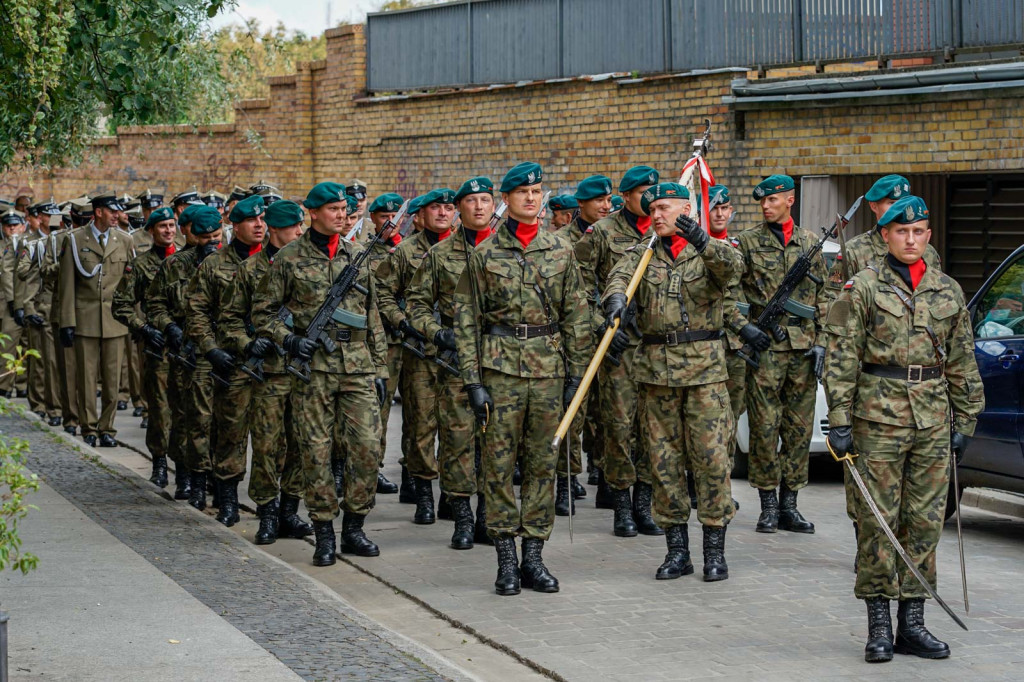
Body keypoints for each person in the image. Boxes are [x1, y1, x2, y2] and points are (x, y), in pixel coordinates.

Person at [823, 195, 983, 662]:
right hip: (877, 419)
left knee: (925, 522)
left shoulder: (948, 291)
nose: (910, 239)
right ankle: (877, 627)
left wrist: (966, 419)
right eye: (901, 231)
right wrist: (839, 420)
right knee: (877, 522)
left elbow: (961, 361)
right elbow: (841, 357)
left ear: (928, 235)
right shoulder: (863, 288)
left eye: (918, 232)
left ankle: (912, 624)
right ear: (886, 236)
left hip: (933, 420)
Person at [453, 162, 589, 596]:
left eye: (536, 191)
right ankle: (506, 560)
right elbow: (466, 322)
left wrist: (576, 375)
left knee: (542, 465)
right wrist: (473, 381)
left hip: (548, 372)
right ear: (505, 201)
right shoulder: (484, 255)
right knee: (496, 468)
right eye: (521, 192)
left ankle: (534, 557)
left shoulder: (561, 250)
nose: (531, 198)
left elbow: (576, 316)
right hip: (500, 373)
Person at [604, 182, 739, 581]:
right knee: (664, 466)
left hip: (704, 377)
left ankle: (714, 551)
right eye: (653, 210)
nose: (657, 215)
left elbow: (732, 269)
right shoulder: (642, 254)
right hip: (657, 375)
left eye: (665, 208)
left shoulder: (709, 252)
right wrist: (614, 301)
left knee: (713, 463)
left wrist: (701, 238)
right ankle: (677, 551)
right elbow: (618, 279)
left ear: (687, 210)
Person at [251, 181, 387, 567]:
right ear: (313, 213)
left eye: (344, 208)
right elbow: (263, 312)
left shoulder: (357, 254)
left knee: (366, 446)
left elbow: (373, 315)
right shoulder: (289, 258)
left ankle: (355, 526)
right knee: (315, 451)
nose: (341, 215)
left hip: (357, 364)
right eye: (332, 209)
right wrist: (290, 341)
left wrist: (380, 367)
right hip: (313, 370)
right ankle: (324, 531)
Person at [825, 175, 945, 561]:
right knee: (870, 488)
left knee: (918, 499)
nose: (910, 237)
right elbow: (836, 310)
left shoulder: (928, 253)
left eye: (917, 229)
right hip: (870, 385)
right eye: (891, 205)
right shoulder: (856, 251)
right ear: (876, 210)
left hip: (920, 395)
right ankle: (872, 549)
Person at [734, 175, 827, 534]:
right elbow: (732, 290)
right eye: (762, 202)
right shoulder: (748, 243)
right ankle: (768, 505)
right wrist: (747, 327)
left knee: (799, 430)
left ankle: (791, 504)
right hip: (766, 350)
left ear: (790, 199)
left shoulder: (810, 245)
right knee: (763, 429)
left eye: (772, 200)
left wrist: (822, 341)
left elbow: (828, 297)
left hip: (802, 350)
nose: (765, 206)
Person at [407, 177, 495, 549]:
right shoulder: (440, 255)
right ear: (459, 209)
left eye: (485, 200)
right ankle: (461, 517)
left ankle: (489, 517)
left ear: (494, 205)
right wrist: (436, 333)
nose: (478, 207)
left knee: (496, 443)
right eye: (470, 201)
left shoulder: (509, 249)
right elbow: (415, 304)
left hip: (501, 361)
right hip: (456, 361)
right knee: (458, 441)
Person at [220, 199, 314, 544]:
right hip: (269, 373)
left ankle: (290, 510)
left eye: (301, 226)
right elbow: (229, 319)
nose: (300, 232)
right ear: (276, 230)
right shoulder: (250, 270)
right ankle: (268, 513)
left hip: (303, 370)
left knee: (301, 445)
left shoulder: (307, 265)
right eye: (293, 228)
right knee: (267, 445)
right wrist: (247, 344)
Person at [575, 165, 662, 537]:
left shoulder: (663, 232)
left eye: (654, 191)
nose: (650, 198)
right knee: (619, 427)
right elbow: (576, 287)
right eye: (642, 192)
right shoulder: (603, 233)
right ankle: (621, 506)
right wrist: (601, 328)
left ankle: (646, 504)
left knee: (651, 429)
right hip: (619, 345)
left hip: (656, 345)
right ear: (624, 197)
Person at [376, 189, 455, 525]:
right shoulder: (406, 251)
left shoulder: (469, 249)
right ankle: (423, 493)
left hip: (457, 353)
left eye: (448, 207)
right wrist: (402, 322)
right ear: (420, 216)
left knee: (456, 427)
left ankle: (453, 495)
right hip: (420, 352)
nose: (442, 213)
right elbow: (383, 293)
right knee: (421, 424)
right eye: (435, 207)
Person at [186, 195, 267, 526]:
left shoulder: (277, 262)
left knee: (270, 437)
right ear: (234, 226)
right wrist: (209, 348)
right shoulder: (214, 265)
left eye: (262, 220)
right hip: (229, 360)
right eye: (252, 221)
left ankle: (270, 508)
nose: (259, 225)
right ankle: (228, 501)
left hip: (268, 362)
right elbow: (196, 311)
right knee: (230, 433)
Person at [554, 175, 613, 516]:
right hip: (575, 341)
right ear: (582, 204)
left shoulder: (617, 236)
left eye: (608, 200)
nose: (606, 206)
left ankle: (608, 480)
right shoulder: (562, 241)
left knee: (609, 415)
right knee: (572, 415)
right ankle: (564, 483)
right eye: (598, 201)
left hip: (613, 339)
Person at [57, 193, 134, 447]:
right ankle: (88, 427)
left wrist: (133, 319)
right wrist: (67, 322)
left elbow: (130, 285)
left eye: (118, 212)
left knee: (112, 380)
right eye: (112, 211)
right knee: (86, 379)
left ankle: (107, 428)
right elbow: (67, 284)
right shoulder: (75, 240)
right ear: (98, 211)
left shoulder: (124, 240)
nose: (117, 215)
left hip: (115, 321)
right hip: (85, 319)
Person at [112, 207, 178, 486]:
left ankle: (190, 470)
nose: (168, 231)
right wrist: (144, 328)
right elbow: (120, 304)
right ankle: (160, 462)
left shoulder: (188, 260)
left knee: (191, 410)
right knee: (160, 409)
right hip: (159, 346)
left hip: (190, 344)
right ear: (151, 230)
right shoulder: (141, 265)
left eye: (172, 225)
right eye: (162, 226)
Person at [14, 201, 62, 425]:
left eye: (56, 215)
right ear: (39, 217)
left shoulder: (62, 239)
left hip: (59, 306)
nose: (53, 219)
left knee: (55, 361)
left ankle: (55, 406)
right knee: (39, 361)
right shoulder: (30, 242)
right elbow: (21, 272)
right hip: (38, 304)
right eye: (48, 215)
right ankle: (40, 404)